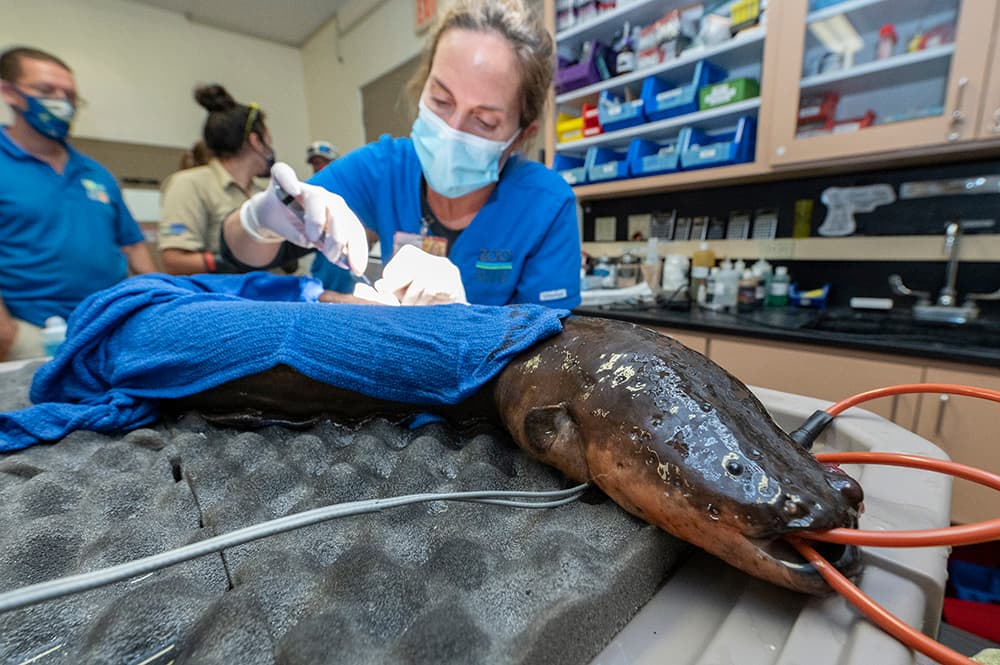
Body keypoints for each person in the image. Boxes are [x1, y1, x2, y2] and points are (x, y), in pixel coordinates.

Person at [220, 0, 581, 308]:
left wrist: (466, 322)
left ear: (522, 136)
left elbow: (550, 355)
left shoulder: (546, 205)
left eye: (484, 122)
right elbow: (240, 254)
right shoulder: (384, 169)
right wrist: (258, 220)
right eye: (441, 100)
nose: (451, 129)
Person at [0, 46, 156, 361]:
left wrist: (158, 306)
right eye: (46, 91)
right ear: (9, 92)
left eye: (70, 96)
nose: (62, 103)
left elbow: (133, 248)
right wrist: (6, 335)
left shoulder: (96, 173)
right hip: (32, 335)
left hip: (108, 331)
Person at [157, 84, 293, 275]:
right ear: (256, 141)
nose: (270, 150)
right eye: (268, 141)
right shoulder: (190, 185)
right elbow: (174, 261)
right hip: (223, 299)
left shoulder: (262, 194)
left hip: (268, 296)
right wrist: (233, 260)